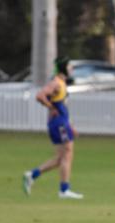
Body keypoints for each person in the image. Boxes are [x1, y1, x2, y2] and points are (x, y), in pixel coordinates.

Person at [23, 56, 84, 199]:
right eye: (69, 66)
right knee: (67, 154)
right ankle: (64, 190)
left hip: (62, 123)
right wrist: (51, 107)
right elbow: (40, 96)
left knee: (60, 158)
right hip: (59, 123)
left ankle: (32, 175)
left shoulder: (61, 83)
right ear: (63, 67)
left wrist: (71, 125)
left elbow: (63, 107)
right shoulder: (56, 83)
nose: (72, 69)